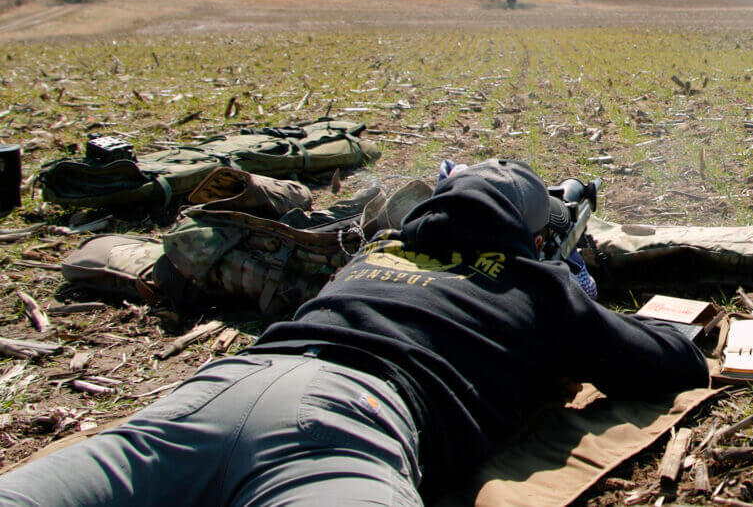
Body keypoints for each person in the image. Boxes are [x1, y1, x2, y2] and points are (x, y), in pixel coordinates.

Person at [0, 159, 709, 506]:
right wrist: (587, 300)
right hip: (347, 420)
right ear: (533, 235)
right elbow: (667, 364)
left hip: (213, 394)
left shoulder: (376, 252)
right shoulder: (541, 286)